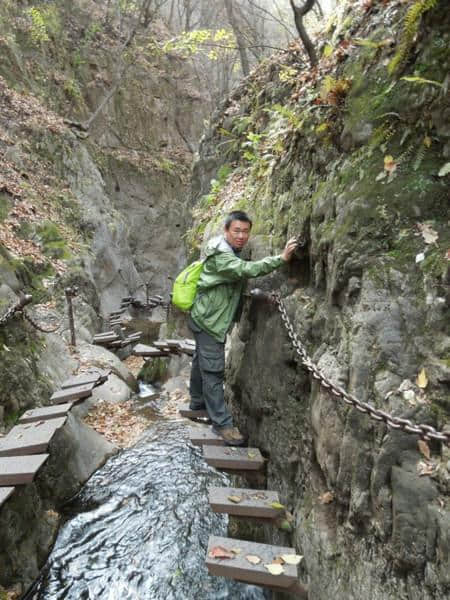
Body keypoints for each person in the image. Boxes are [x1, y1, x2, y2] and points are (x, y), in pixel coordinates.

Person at [188, 210, 298, 446]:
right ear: (225, 230)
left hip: (203, 314)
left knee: (201, 359)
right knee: (213, 371)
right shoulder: (222, 254)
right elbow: (245, 270)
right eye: (236, 231)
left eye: (246, 231)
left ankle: (197, 401)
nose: (241, 236)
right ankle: (223, 425)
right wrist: (281, 258)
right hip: (210, 322)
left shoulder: (221, 246)